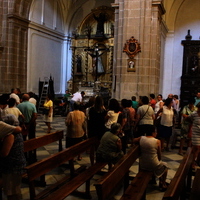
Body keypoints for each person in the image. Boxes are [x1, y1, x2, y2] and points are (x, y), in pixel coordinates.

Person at [133, 125, 168, 191]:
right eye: (155, 132)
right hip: (153, 164)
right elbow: (159, 155)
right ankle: (163, 183)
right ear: (152, 133)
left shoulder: (141, 138)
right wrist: (160, 160)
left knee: (158, 164)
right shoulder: (157, 141)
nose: (156, 133)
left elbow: (134, 140)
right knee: (164, 167)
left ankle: (157, 180)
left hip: (142, 164)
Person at [0, 115, 25, 200]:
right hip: (17, 164)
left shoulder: (10, 135)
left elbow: (4, 153)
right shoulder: (18, 133)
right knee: (15, 190)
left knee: (12, 192)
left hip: (12, 166)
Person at [186, 102, 200, 169]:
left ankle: (198, 161)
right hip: (195, 132)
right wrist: (192, 123)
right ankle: (193, 162)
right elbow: (188, 118)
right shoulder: (194, 114)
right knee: (196, 147)